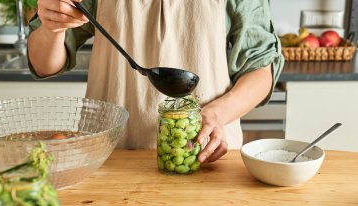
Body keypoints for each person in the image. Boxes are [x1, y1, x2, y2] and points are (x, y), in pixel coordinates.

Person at [27, 0, 284, 163]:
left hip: (205, 154)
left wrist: (216, 114)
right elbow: (44, 65)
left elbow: (261, 68)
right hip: (108, 156)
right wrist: (52, 28)